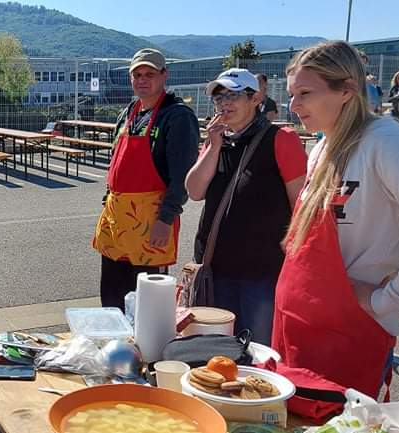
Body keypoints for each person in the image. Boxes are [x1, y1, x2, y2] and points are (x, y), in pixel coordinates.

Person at [275, 40, 399, 400]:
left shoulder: (386, 142)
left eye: (304, 93)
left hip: (350, 335)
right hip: (300, 328)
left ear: (347, 91)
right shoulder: (322, 146)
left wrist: (388, 299)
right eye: (291, 93)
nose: (293, 105)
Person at [185, 68, 307, 344]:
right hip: (216, 266)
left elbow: (301, 204)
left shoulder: (281, 139)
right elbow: (194, 191)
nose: (224, 103)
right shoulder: (219, 140)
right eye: (219, 98)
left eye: (233, 96)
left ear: (256, 99)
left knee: (257, 350)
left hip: (262, 270)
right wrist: (213, 145)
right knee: (216, 349)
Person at [93, 48, 199, 310]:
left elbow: (182, 175)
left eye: (149, 74)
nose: (142, 80)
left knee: (146, 304)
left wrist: (166, 218)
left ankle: (147, 351)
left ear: (165, 75)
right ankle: (114, 348)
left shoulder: (177, 116)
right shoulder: (130, 112)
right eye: (137, 74)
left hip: (151, 223)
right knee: (113, 297)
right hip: (117, 219)